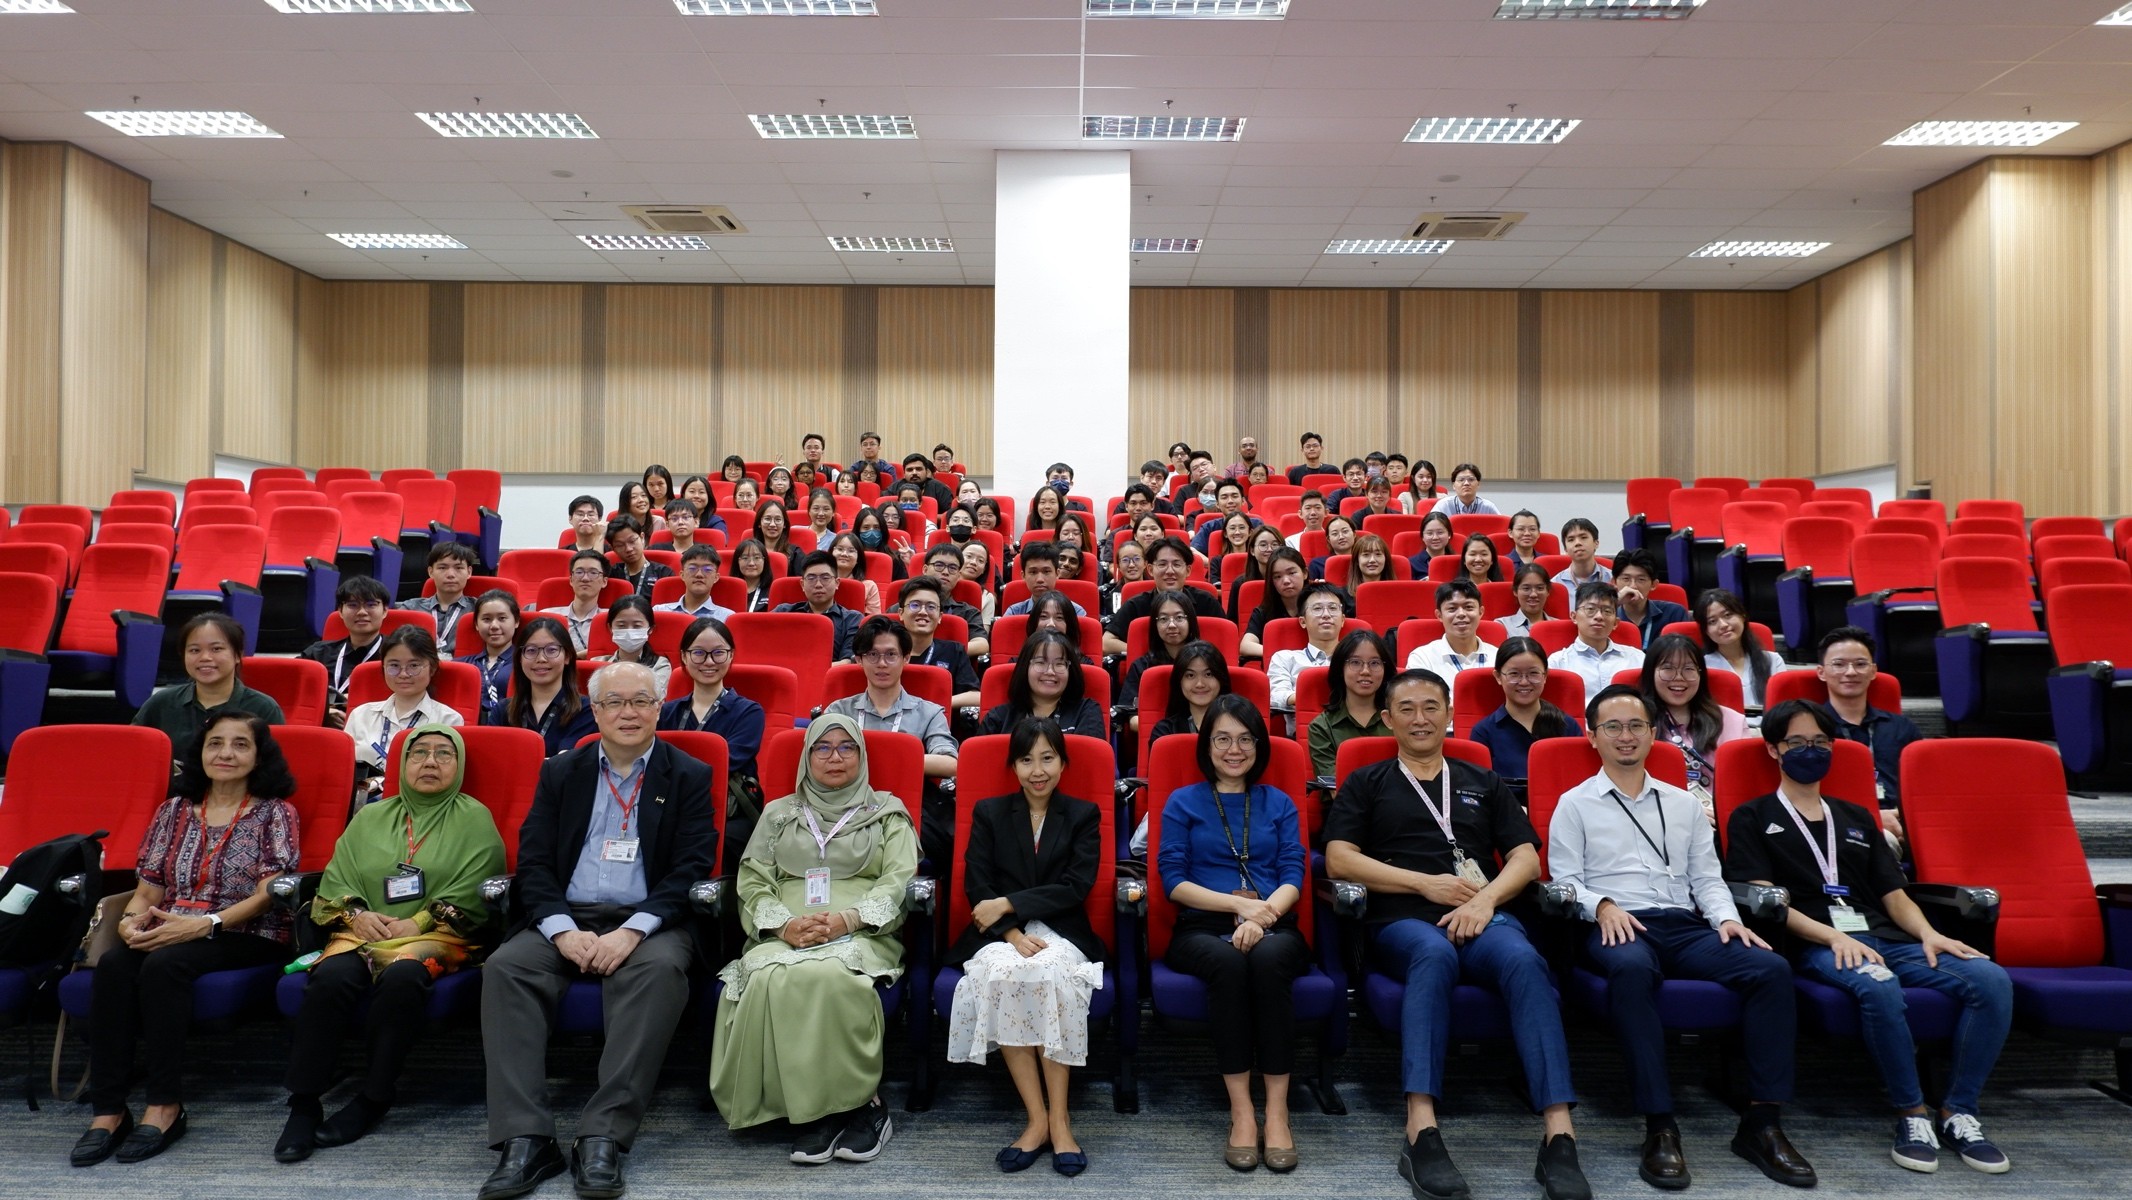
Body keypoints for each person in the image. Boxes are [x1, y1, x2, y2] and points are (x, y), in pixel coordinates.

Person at [1325, 670, 1591, 1200]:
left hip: (1482, 914)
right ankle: (1420, 1128)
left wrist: (1486, 899)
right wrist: (1424, 883)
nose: (1420, 718)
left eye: (1431, 707)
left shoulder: (1482, 780)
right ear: (1388, 719)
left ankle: (1560, 1134)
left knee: (1525, 961)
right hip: (1403, 918)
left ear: (1450, 715)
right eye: (1406, 709)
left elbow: (1524, 857)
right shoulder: (1367, 781)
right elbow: (1338, 858)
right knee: (1433, 954)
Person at [1724, 700, 2012, 1176]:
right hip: (1818, 943)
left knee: (1991, 980)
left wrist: (1930, 934)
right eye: (1797, 742)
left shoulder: (1857, 817)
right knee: (1879, 986)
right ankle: (1911, 1114)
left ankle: (1958, 1111)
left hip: (1885, 935)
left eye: (1820, 742)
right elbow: (1766, 900)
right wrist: (1833, 938)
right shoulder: (1753, 817)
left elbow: (1893, 894)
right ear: (1774, 749)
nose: (1811, 751)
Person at [1548, 685, 1812, 1191]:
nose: (1625, 736)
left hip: (1684, 924)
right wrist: (1602, 906)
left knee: (1770, 969)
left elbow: (1707, 877)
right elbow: (1565, 881)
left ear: (1653, 734)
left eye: (1636, 726)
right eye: (1612, 727)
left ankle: (1762, 1123)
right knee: (1632, 968)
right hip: (1616, 922)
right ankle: (1660, 1124)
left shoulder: (1684, 803)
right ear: (1592, 736)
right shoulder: (1574, 804)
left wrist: (1726, 919)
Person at [479, 663, 715, 1200]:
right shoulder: (562, 771)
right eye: (614, 702)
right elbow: (534, 863)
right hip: (568, 915)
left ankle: (602, 1135)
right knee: (507, 967)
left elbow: (690, 869)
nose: (628, 713)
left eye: (641, 701)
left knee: (658, 972)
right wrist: (562, 931)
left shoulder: (688, 775)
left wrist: (632, 932)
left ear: (659, 708)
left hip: (651, 922)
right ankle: (526, 1138)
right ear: (596, 711)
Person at [73, 713, 300, 1167]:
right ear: (200, 753)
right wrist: (129, 923)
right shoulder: (173, 810)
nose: (226, 753)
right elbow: (148, 890)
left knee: (165, 965)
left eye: (240, 744)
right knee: (115, 964)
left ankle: (165, 1106)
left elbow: (268, 895)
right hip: (171, 926)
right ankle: (109, 1109)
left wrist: (204, 924)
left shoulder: (275, 812)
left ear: (259, 757)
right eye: (215, 743)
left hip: (246, 931)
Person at [276, 724, 506, 1163]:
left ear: (458, 765)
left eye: (444, 754)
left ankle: (374, 1095)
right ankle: (304, 1103)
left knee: (403, 978)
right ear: (403, 764)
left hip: (437, 935)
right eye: (420, 753)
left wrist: (416, 922)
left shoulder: (474, 818)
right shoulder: (371, 817)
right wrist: (358, 916)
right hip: (362, 931)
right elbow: (338, 877)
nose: (431, 762)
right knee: (331, 979)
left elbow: (478, 882)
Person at [709, 714, 916, 1163]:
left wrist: (848, 919)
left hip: (863, 930)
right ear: (807, 757)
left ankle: (862, 1106)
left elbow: (899, 880)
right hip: (787, 930)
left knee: (832, 976)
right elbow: (753, 881)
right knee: (766, 977)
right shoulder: (778, 814)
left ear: (861, 756)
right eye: (822, 747)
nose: (834, 757)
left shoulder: (887, 813)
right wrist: (784, 926)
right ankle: (808, 1109)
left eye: (846, 747)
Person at [1156, 696, 1309, 1174]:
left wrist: (1262, 918)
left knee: (1267, 959)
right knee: (1226, 962)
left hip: (1273, 922)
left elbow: (1293, 872)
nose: (1234, 749)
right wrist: (1239, 907)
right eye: (1222, 739)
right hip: (1202, 927)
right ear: (1207, 745)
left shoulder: (1278, 802)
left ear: (1259, 746)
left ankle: (1277, 1112)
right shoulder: (1183, 801)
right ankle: (1242, 1111)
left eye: (1245, 739)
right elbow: (1173, 880)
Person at [946, 717, 1104, 1177]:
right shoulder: (990, 813)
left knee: (1048, 974)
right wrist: (1012, 933)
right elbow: (978, 884)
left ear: (1063, 763)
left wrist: (1010, 902)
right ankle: (1037, 1120)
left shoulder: (1083, 815)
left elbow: (1075, 886)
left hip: (1062, 929)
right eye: (1026, 759)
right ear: (1013, 766)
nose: (1038, 770)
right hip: (1000, 933)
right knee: (1006, 973)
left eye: (1047, 758)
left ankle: (1061, 1120)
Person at [825, 616, 960, 872]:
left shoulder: (928, 712)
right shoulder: (838, 711)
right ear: (859, 660)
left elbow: (949, 763)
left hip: (906, 806)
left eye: (891, 655)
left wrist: (889, 759)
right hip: (845, 803)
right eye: (872, 654)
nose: (882, 663)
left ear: (906, 658)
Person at [133, 612, 285, 773]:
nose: (205, 657)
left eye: (216, 649)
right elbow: (134, 753)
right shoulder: (161, 703)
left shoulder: (263, 708)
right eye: (194, 650)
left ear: (238, 655)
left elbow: (273, 769)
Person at [1815, 626, 1926, 843]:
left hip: (1904, 820)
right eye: (1839, 664)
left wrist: (1902, 816)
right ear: (1821, 672)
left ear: (1873, 671)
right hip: (1840, 823)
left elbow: (1923, 785)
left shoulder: (1901, 727)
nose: (1850, 672)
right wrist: (1873, 817)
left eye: (1860, 664)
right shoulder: (1811, 729)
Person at [344, 625, 463, 798]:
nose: (403, 674)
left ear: (432, 668)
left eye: (414, 666)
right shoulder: (361, 715)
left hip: (420, 803)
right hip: (361, 803)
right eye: (394, 665)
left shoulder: (449, 720)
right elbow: (344, 770)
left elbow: (444, 777)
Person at [1642, 633, 1748, 819]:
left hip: (1721, 820)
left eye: (1689, 669)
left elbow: (1743, 785)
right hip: (1657, 818)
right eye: (1667, 668)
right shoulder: (1636, 723)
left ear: (1701, 674)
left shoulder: (1732, 721)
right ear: (1651, 672)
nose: (1679, 677)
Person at [1467, 637, 1583, 783]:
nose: (1524, 682)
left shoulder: (1567, 726)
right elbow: (1481, 787)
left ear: (1545, 676)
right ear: (1498, 677)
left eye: (1533, 673)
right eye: (1514, 674)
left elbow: (1580, 779)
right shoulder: (1484, 732)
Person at [301, 575, 392, 727]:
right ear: (340, 611)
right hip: (320, 727)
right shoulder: (317, 653)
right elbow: (294, 690)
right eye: (353, 605)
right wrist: (324, 712)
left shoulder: (398, 657)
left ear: (385, 611)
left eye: (371, 604)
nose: (362, 612)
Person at [981, 630, 1106, 737]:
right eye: (1040, 662)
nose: (1050, 671)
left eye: (1059, 664)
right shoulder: (999, 717)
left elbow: (1089, 757)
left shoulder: (1087, 711)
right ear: (1025, 667)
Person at [505, 616, 598, 757]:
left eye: (551, 650)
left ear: (567, 656)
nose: (541, 659)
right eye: (531, 650)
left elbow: (567, 763)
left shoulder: (586, 710)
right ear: (520, 658)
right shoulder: (503, 711)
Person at [1307, 629, 1393, 777]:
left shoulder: (1399, 719)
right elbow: (1334, 783)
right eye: (1355, 662)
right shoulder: (1322, 727)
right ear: (1341, 668)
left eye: (1374, 663)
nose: (1365, 671)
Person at [1403, 579, 1497, 706]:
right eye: (1452, 609)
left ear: (1480, 612)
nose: (1461, 614)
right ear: (1439, 615)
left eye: (1468, 607)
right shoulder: (1422, 657)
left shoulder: (1498, 657)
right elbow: (1422, 706)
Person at [1546, 581, 1642, 702]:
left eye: (1607, 611)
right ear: (1574, 616)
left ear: (1615, 623)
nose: (1599, 616)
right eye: (1590, 609)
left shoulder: (1637, 658)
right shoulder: (1558, 662)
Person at [896, 576, 981, 709]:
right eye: (915, 605)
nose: (923, 612)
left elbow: (975, 696)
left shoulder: (954, 651)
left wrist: (933, 705)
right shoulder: (886, 651)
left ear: (940, 616)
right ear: (901, 613)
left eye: (931, 607)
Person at [1119, 590, 1198, 729]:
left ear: (1190, 621)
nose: (1172, 625)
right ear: (1155, 626)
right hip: (1157, 736)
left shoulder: (1205, 662)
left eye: (1179, 617)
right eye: (1163, 619)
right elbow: (1133, 720)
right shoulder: (1142, 666)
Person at [1267, 583, 1347, 718]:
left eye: (1333, 608)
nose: (1326, 615)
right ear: (1303, 621)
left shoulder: (1355, 660)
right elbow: (1275, 696)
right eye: (1317, 608)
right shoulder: (1285, 658)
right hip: (1303, 729)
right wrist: (1312, 697)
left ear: (1343, 620)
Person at [1698, 589, 1784, 713]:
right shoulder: (1701, 666)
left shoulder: (1773, 661)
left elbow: (1784, 708)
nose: (1723, 625)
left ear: (1743, 615)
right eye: (1712, 621)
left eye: (1727, 615)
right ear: (1705, 631)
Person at [775, 551, 864, 662]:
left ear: (837, 583)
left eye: (825, 578)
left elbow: (846, 663)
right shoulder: (783, 612)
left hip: (831, 673)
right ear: (802, 584)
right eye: (811, 578)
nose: (818, 585)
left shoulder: (852, 619)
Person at [396, 541, 480, 655]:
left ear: (469, 572)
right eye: (442, 568)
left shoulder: (479, 609)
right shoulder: (411, 608)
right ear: (431, 572)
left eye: (458, 568)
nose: (450, 574)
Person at [459, 588, 520, 726]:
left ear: (516, 621)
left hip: (509, 729)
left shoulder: (527, 663)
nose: (494, 626)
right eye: (486, 619)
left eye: (502, 618)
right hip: (468, 730)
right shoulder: (462, 666)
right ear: (476, 624)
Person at [590, 594, 671, 696]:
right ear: (610, 628)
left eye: (637, 626)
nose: (629, 631)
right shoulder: (597, 663)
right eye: (621, 625)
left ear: (650, 629)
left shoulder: (659, 665)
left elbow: (655, 699)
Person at [1240, 547, 1309, 660]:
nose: (1286, 581)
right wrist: (1284, 655)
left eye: (1292, 573)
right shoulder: (1264, 611)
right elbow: (1246, 646)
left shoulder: (1319, 606)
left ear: (1305, 573)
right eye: (1277, 576)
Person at [1612, 549, 1688, 647]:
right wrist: (1614, 603)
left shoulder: (1674, 613)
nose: (1633, 586)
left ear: (1654, 585)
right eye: (1626, 579)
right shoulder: (1605, 617)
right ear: (1614, 582)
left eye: (1641, 579)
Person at [544, 549, 611, 653]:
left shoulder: (611, 619)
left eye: (593, 573)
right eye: (579, 572)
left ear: (604, 582)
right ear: (571, 580)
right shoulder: (548, 616)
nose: (585, 578)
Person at [1003, 540, 1085, 618]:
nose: (1040, 579)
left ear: (1057, 573)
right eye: (1033, 572)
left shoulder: (1076, 612)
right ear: (1023, 576)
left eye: (1046, 572)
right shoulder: (1014, 613)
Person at [658, 543, 733, 622]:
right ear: (682, 575)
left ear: (716, 577)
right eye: (692, 568)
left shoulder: (726, 617)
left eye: (707, 570)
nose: (699, 574)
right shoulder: (660, 611)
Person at [605, 518, 671, 601]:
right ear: (613, 549)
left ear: (642, 537)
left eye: (632, 541)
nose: (628, 549)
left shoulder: (663, 573)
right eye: (620, 545)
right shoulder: (611, 574)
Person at [826, 530, 885, 615]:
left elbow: (874, 620)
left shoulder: (868, 586)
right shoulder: (821, 581)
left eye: (851, 551)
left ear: (858, 559)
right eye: (840, 549)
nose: (844, 554)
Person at [1500, 562, 1556, 640]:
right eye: (1526, 588)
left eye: (1540, 588)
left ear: (1548, 591)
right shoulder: (1502, 626)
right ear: (1515, 591)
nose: (1533, 594)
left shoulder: (1559, 625)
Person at [1553, 519, 1612, 591]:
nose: (1577, 543)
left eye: (1583, 537)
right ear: (1565, 549)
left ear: (1596, 543)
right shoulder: (1555, 585)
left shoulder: (1613, 579)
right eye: (1571, 540)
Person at [1431, 463, 1500, 517]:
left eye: (1471, 479)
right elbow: (1430, 526)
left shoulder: (1487, 507)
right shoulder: (1444, 505)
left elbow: (1502, 526)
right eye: (1461, 480)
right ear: (1454, 485)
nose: (1466, 483)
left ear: (1478, 484)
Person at [1407, 511, 1457, 578]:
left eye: (1440, 532)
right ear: (1422, 537)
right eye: (1430, 533)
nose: (1435, 537)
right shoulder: (1411, 564)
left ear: (1449, 534)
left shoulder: (1457, 563)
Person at [732, 538, 775, 612]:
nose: (751, 563)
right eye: (745, 558)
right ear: (737, 562)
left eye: (757, 558)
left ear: (764, 561)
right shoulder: (729, 591)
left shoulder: (774, 591)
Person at [754, 498, 799, 569]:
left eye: (778, 519)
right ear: (759, 523)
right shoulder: (749, 551)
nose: (772, 524)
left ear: (784, 524)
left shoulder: (795, 553)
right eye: (767, 519)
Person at [1309, 515, 1358, 580]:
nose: (1341, 537)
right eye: (1335, 534)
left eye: (1345, 531)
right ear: (1329, 540)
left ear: (1354, 534)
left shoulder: (1363, 561)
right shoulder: (1317, 564)